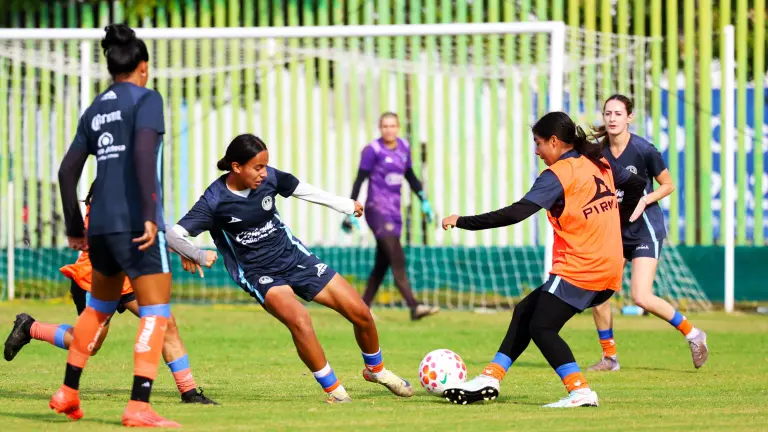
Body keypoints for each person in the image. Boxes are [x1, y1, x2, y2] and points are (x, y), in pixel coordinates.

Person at [173, 133, 414, 404]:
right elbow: (173, 235)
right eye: (258, 167)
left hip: (295, 257)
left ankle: (376, 371)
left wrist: (345, 205)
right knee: (300, 320)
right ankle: (335, 392)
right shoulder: (214, 200)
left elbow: (305, 190)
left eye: (266, 166)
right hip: (258, 272)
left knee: (361, 313)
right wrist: (191, 252)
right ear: (236, 167)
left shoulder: (270, 179)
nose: (264, 173)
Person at [441, 112, 647, 407]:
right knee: (525, 311)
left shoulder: (559, 175)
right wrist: (618, 220)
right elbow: (637, 185)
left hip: (581, 267)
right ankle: (490, 377)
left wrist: (462, 220)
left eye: (538, 143)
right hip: (608, 268)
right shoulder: (597, 162)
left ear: (554, 141)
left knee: (541, 327)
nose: (536, 151)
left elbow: (515, 213)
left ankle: (580, 392)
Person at [53, 24, 179, 427]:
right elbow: (144, 156)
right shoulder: (147, 100)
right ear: (143, 66)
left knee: (99, 308)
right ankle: (139, 405)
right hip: (135, 222)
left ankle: (68, 392)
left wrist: (75, 226)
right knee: (156, 311)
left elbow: (67, 171)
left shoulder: (95, 108)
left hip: (100, 226)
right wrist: (148, 213)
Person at [3, 185, 219, 405]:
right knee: (89, 344)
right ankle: (29, 327)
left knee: (166, 322)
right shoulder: (109, 196)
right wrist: (195, 254)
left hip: (127, 277)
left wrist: (184, 251)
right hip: (95, 280)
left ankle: (189, 393)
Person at [587, 95, 708, 371]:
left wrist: (644, 199)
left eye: (618, 113)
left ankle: (694, 334)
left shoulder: (644, 150)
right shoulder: (599, 152)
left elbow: (668, 185)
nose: (612, 118)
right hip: (614, 232)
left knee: (641, 296)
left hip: (644, 230)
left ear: (630, 117)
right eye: (608, 113)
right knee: (599, 295)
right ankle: (610, 357)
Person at [343, 112, 439, 320]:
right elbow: (359, 180)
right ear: (380, 128)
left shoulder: (404, 148)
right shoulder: (372, 150)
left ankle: (362, 308)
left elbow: (410, 176)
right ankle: (414, 307)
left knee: (382, 263)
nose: (389, 129)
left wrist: (424, 199)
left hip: (395, 212)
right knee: (397, 258)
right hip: (377, 210)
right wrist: (349, 208)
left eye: (392, 125)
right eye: (385, 126)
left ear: (397, 128)